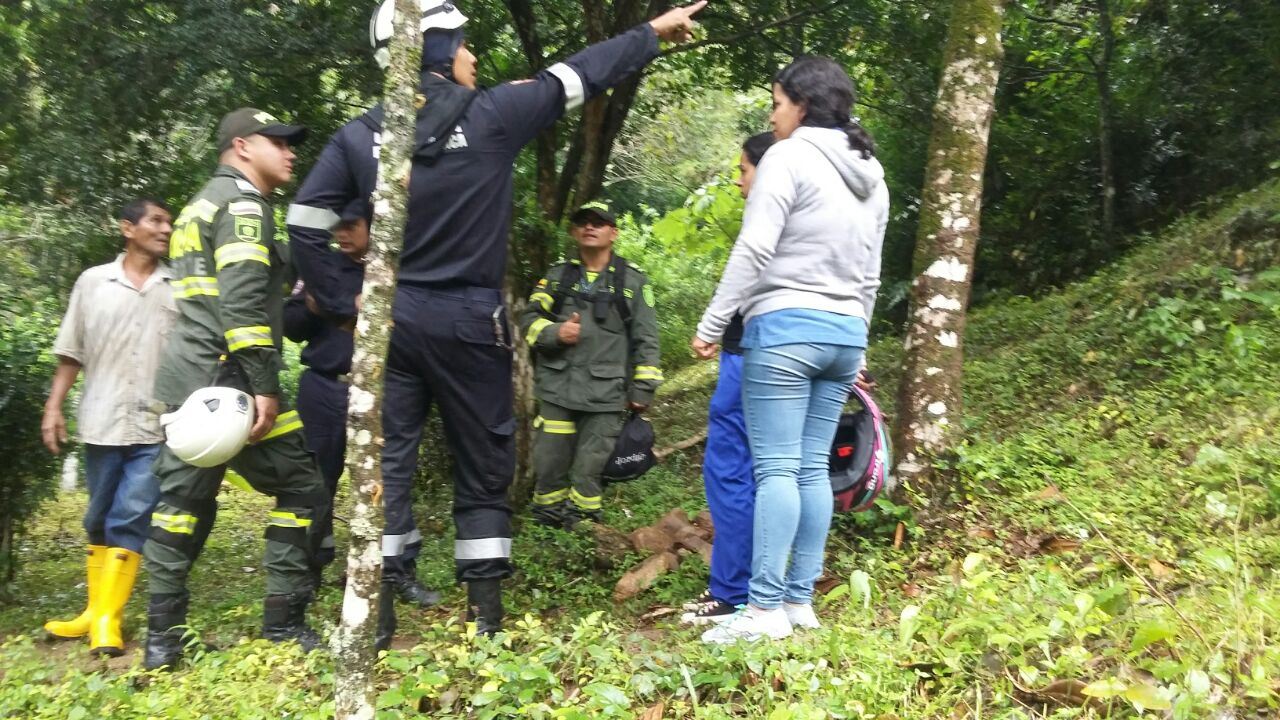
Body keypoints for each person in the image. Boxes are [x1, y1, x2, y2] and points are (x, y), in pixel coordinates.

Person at [285, 0, 707, 642]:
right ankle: (485, 621)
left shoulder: (359, 135)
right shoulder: (491, 115)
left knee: (391, 464)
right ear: (438, 49)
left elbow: (303, 223)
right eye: (463, 43)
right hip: (468, 320)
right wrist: (652, 31)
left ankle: (382, 618)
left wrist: (350, 302)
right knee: (483, 463)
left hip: (393, 323)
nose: (473, 56)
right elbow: (581, 74)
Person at [692, 57, 889, 644]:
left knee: (776, 468)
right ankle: (799, 599)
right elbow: (872, 276)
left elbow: (754, 251)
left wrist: (713, 321)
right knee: (809, 468)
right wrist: (860, 338)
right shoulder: (872, 171)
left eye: (776, 103)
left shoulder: (787, 157)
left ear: (801, 104)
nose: (773, 116)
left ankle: (761, 611)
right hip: (846, 334)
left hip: (784, 331)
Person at [143, 108, 327, 670]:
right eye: (279, 142)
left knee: (181, 507)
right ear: (243, 147)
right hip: (232, 379)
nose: (291, 152)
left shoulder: (201, 203)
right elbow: (243, 305)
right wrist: (265, 387)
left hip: (189, 377)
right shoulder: (245, 207)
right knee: (304, 488)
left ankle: (162, 642)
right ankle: (283, 622)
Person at [40, 199, 176, 656]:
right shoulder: (93, 282)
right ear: (127, 228)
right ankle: (93, 611)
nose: (165, 229)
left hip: (155, 427)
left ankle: (107, 622)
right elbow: (70, 352)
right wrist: (53, 408)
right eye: (156, 221)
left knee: (129, 516)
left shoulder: (176, 287)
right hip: (100, 422)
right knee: (97, 517)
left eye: (168, 222)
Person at [520, 202, 663, 530]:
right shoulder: (557, 277)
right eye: (583, 222)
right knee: (549, 463)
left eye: (599, 222)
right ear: (573, 231)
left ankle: (584, 525)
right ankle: (547, 524)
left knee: (589, 465)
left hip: (606, 394)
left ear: (613, 232)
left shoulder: (633, 281)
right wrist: (557, 332)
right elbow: (528, 320)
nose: (590, 227)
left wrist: (642, 389)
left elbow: (647, 339)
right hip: (558, 390)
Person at [681, 133, 775, 626]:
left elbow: (749, 266)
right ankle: (779, 587)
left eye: (743, 170)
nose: (740, 181)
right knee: (780, 472)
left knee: (730, 469)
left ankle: (734, 589)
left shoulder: (771, 206)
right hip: (801, 349)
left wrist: (712, 327)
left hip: (751, 353)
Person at [282, 199, 374, 589]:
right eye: (338, 225)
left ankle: (382, 571)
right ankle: (309, 568)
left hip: (378, 392)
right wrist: (315, 309)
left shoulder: (395, 271)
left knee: (382, 482)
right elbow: (290, 324)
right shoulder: (321, 267)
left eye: (352, 225)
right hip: (324, 388)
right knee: (316, 480)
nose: (342, 233)